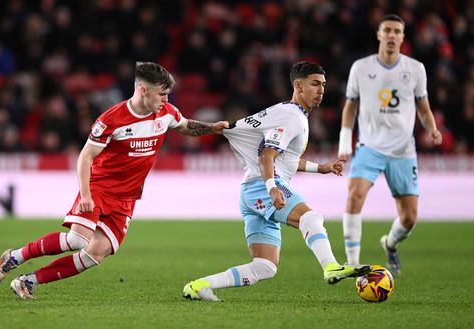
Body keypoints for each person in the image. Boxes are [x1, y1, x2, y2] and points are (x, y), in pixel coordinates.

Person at [0, 62, 229, 299]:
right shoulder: (112, 120)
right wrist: (85, 195)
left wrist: (213, 128)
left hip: (127, 196)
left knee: (96, 253)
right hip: (100, 188)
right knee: (76, 239)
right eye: (162, 94)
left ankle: (28, 281)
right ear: (143, 90)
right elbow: (85, 157)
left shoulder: (166, 112)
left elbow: (186, 126)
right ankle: (14, 257)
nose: (166, 100)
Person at [183, 61, 372, 302]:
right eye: (315, 84)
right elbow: (267, 154)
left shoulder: (290, 114)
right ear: (298, 85)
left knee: (265, 266)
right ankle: (331, 266)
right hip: (262, 188)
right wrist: (272, 188)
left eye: (323, 85)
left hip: (251, 190)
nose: (321, 90)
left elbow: (286, 159)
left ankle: (199, 285)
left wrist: (320, 168)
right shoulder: (291, 117)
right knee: (310, 218)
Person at [337, 14, 442, 276]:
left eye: (397, 31)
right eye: (388, 30)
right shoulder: (361, 68)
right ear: (379, 35)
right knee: (354, 196)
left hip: (402, 151)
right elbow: (350, 106)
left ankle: (391, 243)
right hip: (369, 147)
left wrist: (433, 130)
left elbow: (424, 108)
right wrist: (344, 143)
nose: (392, 35)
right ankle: (352, 264)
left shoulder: (415, 69)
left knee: (409, 218)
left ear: (403, 38)